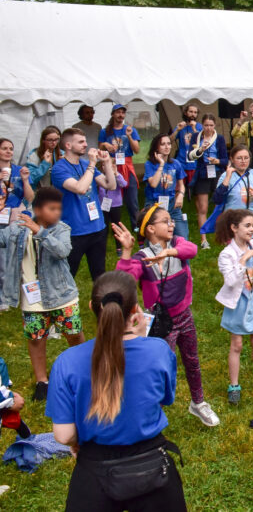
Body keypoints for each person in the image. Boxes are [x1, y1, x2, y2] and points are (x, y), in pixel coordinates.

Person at [49, 272, 186, 511]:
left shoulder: (66, 362)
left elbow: (63, 435)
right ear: (135, 310)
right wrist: (143, 340)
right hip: (152, 467)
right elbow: (163, 399)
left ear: (92, 306)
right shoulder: (159, 351)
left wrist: (76, 442)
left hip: (94, 469)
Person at [112, 206, 219, 427]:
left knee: (192, 360)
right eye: (165, 221)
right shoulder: (142, 258)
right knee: (162, 369)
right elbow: (124, 281)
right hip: (162, 324)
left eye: (171, 221)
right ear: (150, 228)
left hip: (185, 315)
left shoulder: (177, 244)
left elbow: (192, 250)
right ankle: (154, 413)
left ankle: (198, 403)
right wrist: (126, 252)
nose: (171, 225)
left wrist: (168, 252)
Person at [0, 187, 83, 403]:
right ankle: (42, 382)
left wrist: (40, 232)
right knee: (36, 338)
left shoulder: (61, 229)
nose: (57, 213)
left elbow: (63, 251)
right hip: (31, 298)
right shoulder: (18, 228)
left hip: (61, 295)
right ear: (37, 209)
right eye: (51, 208)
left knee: (74, 333)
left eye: (59, 209)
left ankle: (83, 371)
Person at [214, 209, 253, 405]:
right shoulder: (226, 254)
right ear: (234, 228)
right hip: (239, 304)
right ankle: (234, 385)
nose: (252, 229)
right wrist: (243, 260)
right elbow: (232, 281)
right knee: (237, 345)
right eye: (247, 225)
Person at [51, 128, 118, 281]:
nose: (85, 145)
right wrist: (93, 164)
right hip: (74, 231)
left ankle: (101, 303)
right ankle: (65, 303)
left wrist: (107, 163)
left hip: (97, 227)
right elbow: (80, 188)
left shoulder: (86, 164)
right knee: (68, 274)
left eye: (85, 141)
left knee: (99, 274)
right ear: (68, 145)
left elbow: (110, 185)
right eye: (81, 142)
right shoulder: (59, 168)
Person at [213, 146, 253, 241]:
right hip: (234, 226)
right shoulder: (225, 176)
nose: (243, 161)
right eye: (239, 158)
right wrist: (227, 178)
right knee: (237, 255)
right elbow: (217, 199)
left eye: (246, 158)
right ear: (232, 159)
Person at [187, 114, 228, 249]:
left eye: (211, 125)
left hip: (216, 173)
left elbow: (225, 160)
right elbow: (190, 156)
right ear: (202, 125)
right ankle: (203, 239)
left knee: (220, 205)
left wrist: (217, 161)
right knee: (203, 208)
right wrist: (201, 149)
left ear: (215, 125)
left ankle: (222, 236)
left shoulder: (219, 138)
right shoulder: (196, 137)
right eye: (206, 125)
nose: (209, 128)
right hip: (202, 173)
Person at [98, 103, 142, 229]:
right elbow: (99, 147)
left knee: (132, 198)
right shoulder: (105, 131)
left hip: (127, 165)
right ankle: (109, 225)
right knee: (110, 195)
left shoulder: (130, 129)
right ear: (112, 114)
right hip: (111, 165)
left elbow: (137, 150)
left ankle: (136, 225)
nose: (120, 115)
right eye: (118, 112)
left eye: (123, 112)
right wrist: (106, 144)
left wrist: (128, 135)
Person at [143, 134, 188, 238]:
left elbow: (182, 185)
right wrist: (161, 164)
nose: (167, 146)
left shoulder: (176, 163)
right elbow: (153, 184)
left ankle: (175, 253)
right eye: (163, 144)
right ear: (156, 148)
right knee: (155, 238)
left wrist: (181, 195)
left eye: (168, 143)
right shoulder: (149, 164)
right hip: (154, 204)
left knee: (182, 236)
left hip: (172, 204)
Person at [172, 104, 202, 187]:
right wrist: (177, 130)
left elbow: (202, 141)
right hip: (181, 161)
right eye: (191, 112)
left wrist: (194, 129)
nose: (193, 114)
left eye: (195, 112)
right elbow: (170, 140)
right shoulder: (181, 126)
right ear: (185, 113)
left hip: (195, 162)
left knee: (196, 191)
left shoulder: (199, 127)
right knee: (179, 188)